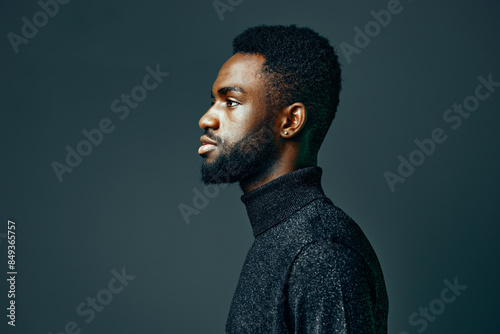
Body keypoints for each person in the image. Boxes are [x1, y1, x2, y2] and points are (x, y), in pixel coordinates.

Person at [197, 24, 388, 333]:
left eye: (230, 102)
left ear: (290, 121)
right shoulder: (281, 237)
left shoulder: (322, 254)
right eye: (213, 100)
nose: (207, 118)